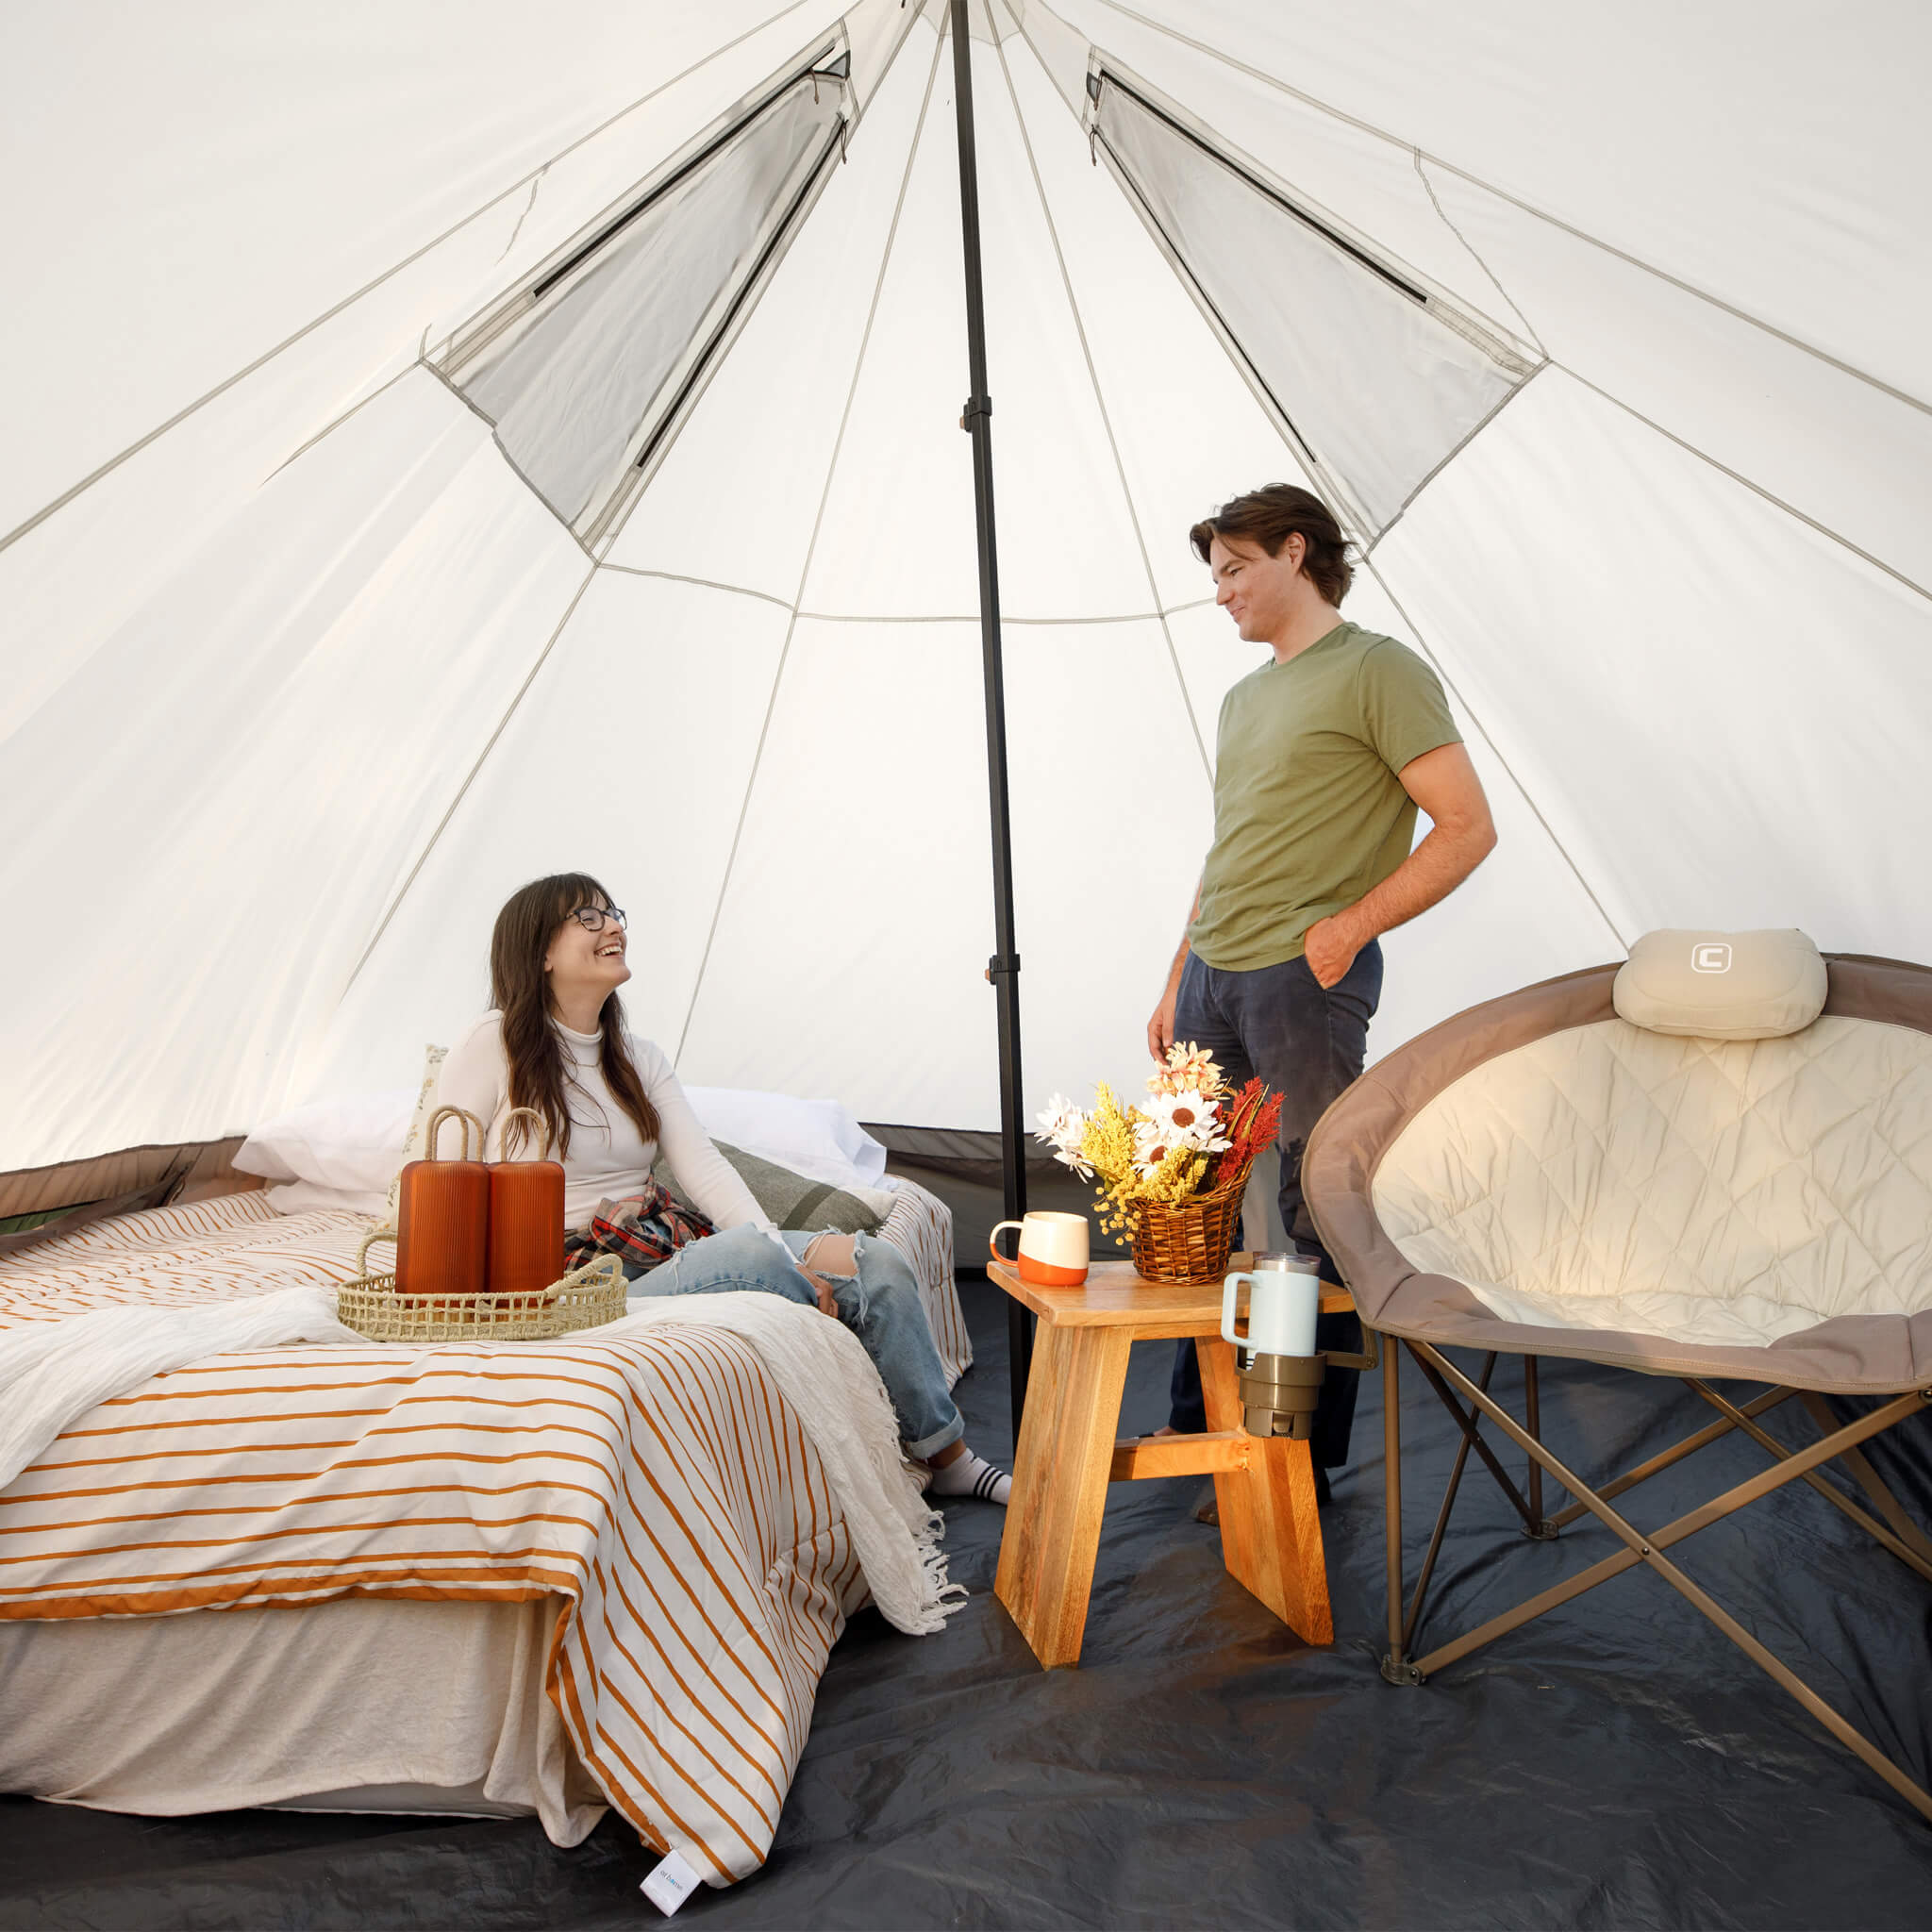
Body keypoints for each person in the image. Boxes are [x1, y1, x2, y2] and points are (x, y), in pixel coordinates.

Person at [439, 871, 1010, 1506]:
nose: (615, 927)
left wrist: (787, 1259)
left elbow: (705, 1170)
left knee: (874, 1261)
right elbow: (444, 1174)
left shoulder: (638, 1056)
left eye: (614, 913)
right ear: (541, 952)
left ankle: (946, 1453)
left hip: (656, 1248)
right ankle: (816, 1326)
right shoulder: (494, 1042)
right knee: (749, 1257)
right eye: (589, 918)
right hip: (574, 1278)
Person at [1149, 485, 1496, 1497]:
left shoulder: (1378, 671)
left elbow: (1465, 824)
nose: (1218, 593)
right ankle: (1196, 1427)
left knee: (1313, 1207)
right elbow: (1230, 846)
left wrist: (1348, 927)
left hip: (1304, 982)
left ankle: (1291, 1454)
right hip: (1212, 976)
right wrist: (1177, 971)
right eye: (1211, 573)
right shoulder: (1242, 698)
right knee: (1194, 1207)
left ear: (1294, 553)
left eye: (1232, 568)